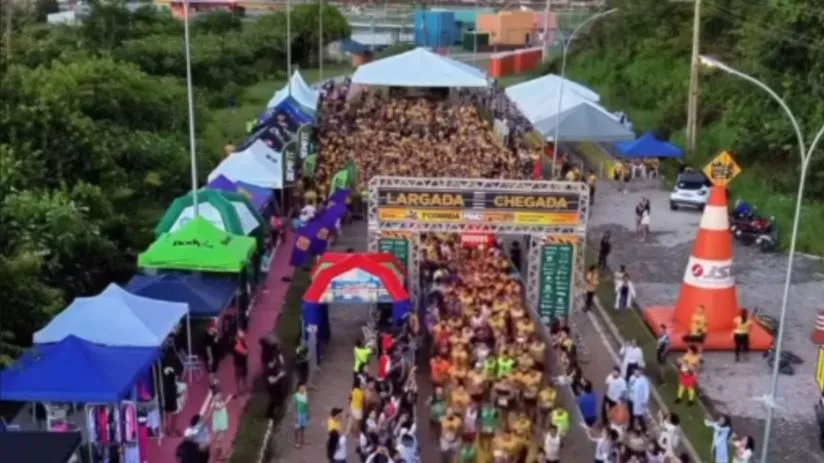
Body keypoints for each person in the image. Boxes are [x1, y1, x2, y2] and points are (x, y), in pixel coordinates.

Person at [209, 387, 231, 460]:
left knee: (220, 441)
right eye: (217, 395)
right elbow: (220, 407)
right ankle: (214, 457)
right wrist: (228, 399)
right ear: (213, 396)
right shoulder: (214, 403)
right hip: (218, 426)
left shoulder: (220, 401)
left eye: (220, 394)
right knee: (217, 441)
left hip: (223, 424)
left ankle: (218, 456)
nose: (220, 395)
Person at [627, 368, 650, 433]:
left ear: (640, 372)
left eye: (637, 372)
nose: (636, 373)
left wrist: (645, 400)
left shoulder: (644, 380)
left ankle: (644, 429)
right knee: (631, 414)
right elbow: (629, 386)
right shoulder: (631, 378)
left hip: (638, 401)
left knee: (639, 416)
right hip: (631, 399)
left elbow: (646, 391)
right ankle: (630, 426)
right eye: (635, 372)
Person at [232, 330, 249, 394]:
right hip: (238, 364)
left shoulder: (243, 343)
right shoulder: (236, 346)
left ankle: (244, 388)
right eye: (242, 336)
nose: (243, 337)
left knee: (244, 376)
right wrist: (246, 348)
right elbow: (245, 353)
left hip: (243, 363)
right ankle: (238, 390)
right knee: (238, 377)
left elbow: (246, 352)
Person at [294, 383, 310, 448]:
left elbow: (306, 404)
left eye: (304, 387)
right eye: (302, 387)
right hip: (299, 414)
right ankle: (297, 442)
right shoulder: (296, 395)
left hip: (305, 413)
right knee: (297, 427)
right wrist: (296, 414)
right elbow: (295, 405)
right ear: (298, 388)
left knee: (303, 427)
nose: (303, 388)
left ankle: (302, 439)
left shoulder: (305, 393)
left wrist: (308, 413)